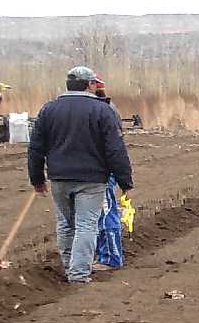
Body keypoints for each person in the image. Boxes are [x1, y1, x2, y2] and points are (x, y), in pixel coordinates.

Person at [27, 65, 134, 284]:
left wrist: (37, 179)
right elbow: (115, 148)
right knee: (87, 225)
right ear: (90, 84)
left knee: (66, 224)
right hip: (92, 180)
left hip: (59, 178)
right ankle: (78, 273)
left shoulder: (49, 109)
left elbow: (36, 148)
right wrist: (125, 181)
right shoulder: (102, 110)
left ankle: (70, 268)